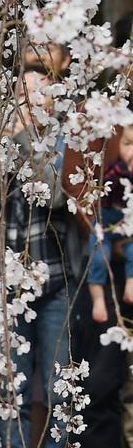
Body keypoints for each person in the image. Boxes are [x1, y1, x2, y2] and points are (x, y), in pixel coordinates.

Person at [0, 69, 76, 448]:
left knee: (61, 389)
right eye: (21, 90)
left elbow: (57, 195)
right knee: (13, 391)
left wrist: (26, 138)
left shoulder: (62, 138)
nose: (29, 98)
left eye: (37, 90)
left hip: (55, 283)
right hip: (8, 287)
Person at [86, 124, 133, 323]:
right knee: (97, 258)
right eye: (127, 144)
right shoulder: (116, 169)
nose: (132, 151)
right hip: (105, 222)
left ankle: (131, 285)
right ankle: (98, 300)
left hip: (128, 224)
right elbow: (106, 189)